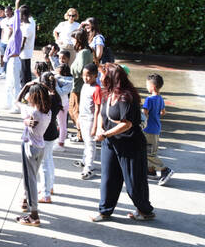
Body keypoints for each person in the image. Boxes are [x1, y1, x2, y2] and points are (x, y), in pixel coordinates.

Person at [91, 63, 155, 222]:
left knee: (134, 182)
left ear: (112, 77)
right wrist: (100, 129)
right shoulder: (107, 93)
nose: (100, 78)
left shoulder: (126, 97)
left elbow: (127, 124)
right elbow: (102, 114)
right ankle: (105, 211)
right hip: (110, 143)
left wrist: (105, 134)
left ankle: (145, 210)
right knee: (108, 178)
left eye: (103, 75)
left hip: (130, 145)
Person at [14, 82, 52, 227]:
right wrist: (43, 86)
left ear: (34, 97)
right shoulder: (47, 112)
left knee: (30, 182)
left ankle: (34, 215)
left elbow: (17, 101)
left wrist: (25, 86)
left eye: (30, 93)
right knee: (32, 177)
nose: (28, 96)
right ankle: (26, 201)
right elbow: (51, 93)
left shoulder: (32, 113)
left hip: (29, 148)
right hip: (40, 147)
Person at [72, 63, 102, 180]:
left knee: (90, 144)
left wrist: (95, 125)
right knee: (86, 141)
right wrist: (78, 117)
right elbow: (82, 103)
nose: (85, 78)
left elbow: (98, 109)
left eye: (89, 75)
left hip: (90, 119)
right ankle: (85, 161)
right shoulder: (85, 86)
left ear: (95, 76)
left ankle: (89, 167)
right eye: (84, 75)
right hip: (83, 117)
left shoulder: (97, 89)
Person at [143, 73, 174, 185]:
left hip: (148, 129)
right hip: (156, 128)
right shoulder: (160, 98)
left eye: (147, 85)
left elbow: (144, 113)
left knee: (147, 153)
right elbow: (163, 112)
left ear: (153, 87)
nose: (146, 87)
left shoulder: (149, 100)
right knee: (152, 151)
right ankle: (150, 171)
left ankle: (164, 170)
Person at [38, 72, 62, 204]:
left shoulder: (47, 99)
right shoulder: (56, 96)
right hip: (52, 131)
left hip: (45, 133)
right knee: (49, 160)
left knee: (44, 164)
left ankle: (46, 193)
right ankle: (50, 186)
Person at [69, 28, 93, 141]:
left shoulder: (84, 52)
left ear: (78, 39)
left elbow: (80, 70)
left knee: (75, 111)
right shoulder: (84, 51)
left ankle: (81, 134)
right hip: (77, 85)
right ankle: (80, 134)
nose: (72, 41)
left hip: (79, 87)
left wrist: (70, 70)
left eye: (73, 39)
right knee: (73, 110)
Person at [4, 0, 23, 113]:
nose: (10, 27)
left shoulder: (17, 34)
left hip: (15, 61)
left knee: (16, 84)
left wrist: (16, 5)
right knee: (9, 83)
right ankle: (9, 103)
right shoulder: (10, 38)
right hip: (11, 61)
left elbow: (16, 20)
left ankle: (17, 106)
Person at [53, 64, 73, 151]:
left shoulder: (69, 81)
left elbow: (61, 92)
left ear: (64, 72)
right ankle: (59, 140)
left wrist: (55, 84)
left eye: (59, 70)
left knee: (62, 125)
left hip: (62, 104)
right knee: (59, 124)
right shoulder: (58, 77)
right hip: (57, 103)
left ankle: (61, 144)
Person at [19, 4, 36, 86]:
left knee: (24, 74)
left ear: (24, 16)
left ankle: (25, 89)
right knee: (26, 72)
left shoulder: (27, 27)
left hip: (24, 52)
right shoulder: (31, 21)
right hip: (28, 51)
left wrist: (17, 52)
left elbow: (22, 43)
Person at [0, 6, 14, 74]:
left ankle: (9, 71)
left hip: (11, 42)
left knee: (10, 57)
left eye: (8, 11)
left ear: (11, 11)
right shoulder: (3, 20)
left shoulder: (14, 19)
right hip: (3, 42)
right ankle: (4, 70)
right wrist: (2, 40)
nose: (6, 13)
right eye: (5, 11)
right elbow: (3, 30)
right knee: (3, 57)